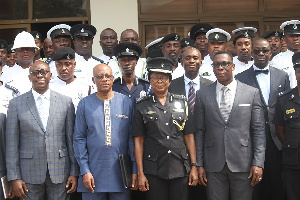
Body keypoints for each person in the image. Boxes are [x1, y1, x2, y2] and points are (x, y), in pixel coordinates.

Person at [194, 51, 266, 200]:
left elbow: (258, 130)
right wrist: (199, 164)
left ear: (233, 66)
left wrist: (258, 162)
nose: (220, 68)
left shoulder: (251, 93)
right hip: (213, 164)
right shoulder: (202, 94)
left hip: (243, 162)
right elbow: (200, 131)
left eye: (224, 64)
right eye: (216, 64)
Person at [6, 61, 79, 200]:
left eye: (43, 72)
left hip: (60, 172)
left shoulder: (66, 102)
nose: (40, 75)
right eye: (35, 73)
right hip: (28, 174)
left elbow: (71, 140)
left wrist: (74, 172)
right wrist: (14, 177)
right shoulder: (16, 104)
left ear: (50, 75)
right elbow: (11, 144)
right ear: (29, 77)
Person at [133, 57, 198, 200]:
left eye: (163, 78)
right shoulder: (142, 105)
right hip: (154, 168)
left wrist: (194, 165)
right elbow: (139, 141)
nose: (159, 81)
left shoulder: (182, 102)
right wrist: (140, 173)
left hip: (179, 166)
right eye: (155, 78)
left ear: (169, 80)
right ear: (150, 80)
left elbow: (189, 136)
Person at [236, 39, 290, 200]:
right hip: (251, 137)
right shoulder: (240, 77)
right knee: (254, 185)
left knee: (276, 184)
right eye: (257, 51)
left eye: (264, 51)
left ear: (270, 53)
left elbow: (286, 106)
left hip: (276, 136)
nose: (261, 54)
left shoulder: (282, 76)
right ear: (252, 53)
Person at [73, 64, 137, 200]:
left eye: (108, 76)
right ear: (93, 80)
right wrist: (84, 170)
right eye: (100, 77)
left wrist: (134, 169)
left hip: (121, 172)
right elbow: (79, 139)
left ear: (113, 79)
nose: (104, 79)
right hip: (92, 171)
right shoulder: (84, 104)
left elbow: (132, 139)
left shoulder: (126, 102)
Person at [274, 51, 300, 200]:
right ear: (295, 72)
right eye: (299, 69)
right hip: (293, 161)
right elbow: (280, 131)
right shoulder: (284, 99)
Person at [50, 47, 90, 111]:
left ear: (74, 65)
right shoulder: (49, 87)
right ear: (55, 65)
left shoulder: (84, 87)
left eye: (67, 64)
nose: (63, 68)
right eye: (59, 64)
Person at [272, 20, 300, 88]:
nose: (295, 38)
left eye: (298, 35)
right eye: (291, 36)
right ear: (284, 39)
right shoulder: (277, 60)